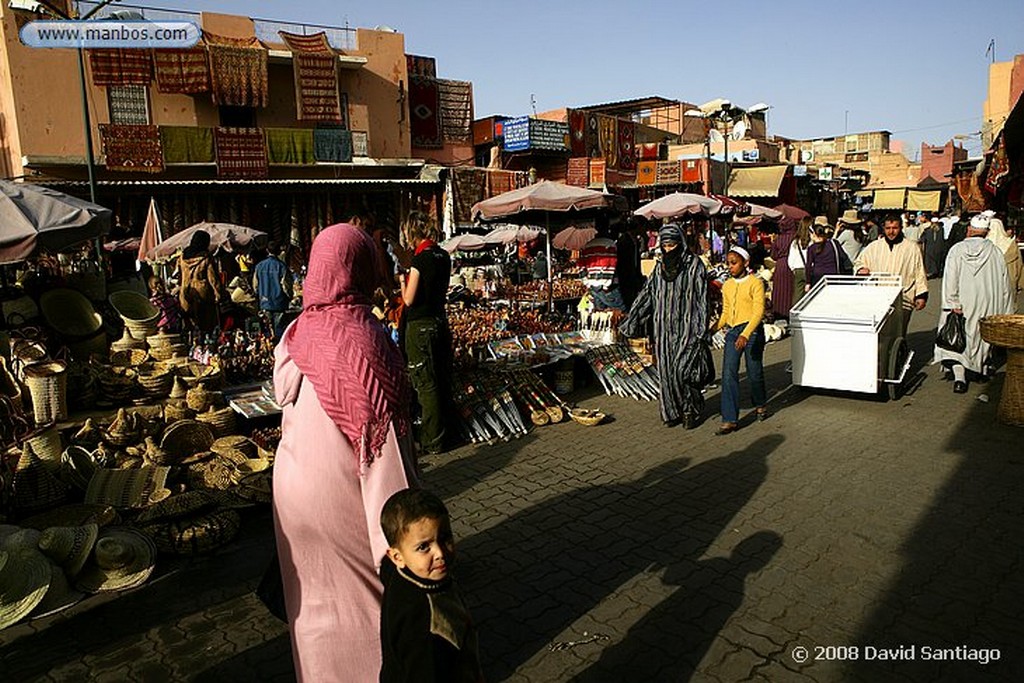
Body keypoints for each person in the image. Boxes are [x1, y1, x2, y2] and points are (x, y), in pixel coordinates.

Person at [272, 223, 418, 682]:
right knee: (366, 605)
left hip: (293, 492)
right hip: (339, 490)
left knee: (313, 609)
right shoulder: (363, 338)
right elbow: (382, 451)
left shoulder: (298, 329)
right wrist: (403, 541)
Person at [379, 488, 483, 683]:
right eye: (423, 547)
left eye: (445, 538)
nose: (440, 553)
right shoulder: (424, 623)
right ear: (396, 556)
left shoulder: (397, 570)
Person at [620, 224, 711, 429]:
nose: (669, 250)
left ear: (681, 243)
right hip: (662, 329)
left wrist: (701, 330)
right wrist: (631, 320)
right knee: (667, 373)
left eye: (673, 245)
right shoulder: (659, 268)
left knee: (683, 370)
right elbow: (647, 296)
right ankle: (672, 412)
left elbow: (702, 300)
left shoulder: (695, 265)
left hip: (688, 329)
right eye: (666, 246)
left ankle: (689, 408)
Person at [934, 213, 1015, 393]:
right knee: (981, 339)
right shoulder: (995, 252)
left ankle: (959, 378)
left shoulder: (956, 250)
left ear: (970, 229)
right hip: (988, 304)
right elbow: (1005, 286)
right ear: (986, 232)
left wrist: (951, 302)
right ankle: (981, 369)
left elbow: (950, 279)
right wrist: (1006, 310)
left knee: (958, 341)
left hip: (961, 303)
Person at [399, 211, 453, 455]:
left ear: (413, 234)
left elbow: (409, 300)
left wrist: (402, 281)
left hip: (420, 325)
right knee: (441, 377)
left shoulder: (419, 260)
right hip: (440, 320)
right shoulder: (444, 256)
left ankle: (432, 440)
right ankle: (448, 431)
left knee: (426, 383)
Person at [715, 246, 768, 435]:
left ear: (745, 263)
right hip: (733, 330)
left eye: (734, 263)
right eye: (728, 263)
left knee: (754, 372)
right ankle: (729, 418)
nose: (730, 267)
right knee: (729, 372)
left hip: (752, 330)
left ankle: (760, 403)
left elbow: (758, 312)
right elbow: (726, 311)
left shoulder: (756, 283)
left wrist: (746, 334)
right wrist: (715, 327)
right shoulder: (728, 285)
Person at [854, 214, 929, 337]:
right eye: (888, 228)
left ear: (900, 228)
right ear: (883, 228)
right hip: (879, 298)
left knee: (899, 334)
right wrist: (861, 269)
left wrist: (921, 295)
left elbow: (919, 272)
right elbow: (859, 262)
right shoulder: (874, 247)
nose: (891, 232)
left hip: (903, 299)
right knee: (880, 335)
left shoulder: (911, 248)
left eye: (895, 228)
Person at [177, 229, 221, 333]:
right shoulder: (206, 257)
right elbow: (213, 279)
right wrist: (219, 294)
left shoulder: (182, 257)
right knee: (206, 326)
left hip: (185, 292)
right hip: (203, 295)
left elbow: (179, 275)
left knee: (190, 323)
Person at [253, 244, 293, 341]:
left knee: (267, 331)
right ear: (278, 251)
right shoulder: (281, 266)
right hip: (279, 303)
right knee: (279, 331)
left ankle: (268, 351)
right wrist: (290, 296)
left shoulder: (259, 266)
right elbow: (286, 285)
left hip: (264, 302)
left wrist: (259, 295)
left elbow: (255, 285)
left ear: (267, 250)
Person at [579, 231, 624, 311]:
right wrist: (606, 285)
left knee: (600, 314)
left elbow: (581, 266)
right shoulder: (610, 244)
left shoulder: (587, 246)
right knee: (621, 313)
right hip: (609, 288)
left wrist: (587, 283)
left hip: (593, 287)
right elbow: (611, 263)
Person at [986, 213, 1024, 304]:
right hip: (1009, 284)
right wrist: (1020, 284)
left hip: (988, 286)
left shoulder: (983, 246)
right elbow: (1019, 266)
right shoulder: (1011, 245)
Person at [769, 217, 798, 321]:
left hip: (780, 266)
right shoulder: (796, 237)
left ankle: (779, 312)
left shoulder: (779, 239)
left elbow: (773, 255)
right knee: (790, 290)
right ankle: (791, 311)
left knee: (779, 291)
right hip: (793, 264)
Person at [804, 218, 845, 290]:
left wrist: (808, 282)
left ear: (813, 234)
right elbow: (842, 256)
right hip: (832, 275)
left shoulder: (812, 248)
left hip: (818, 276)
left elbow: (808, 266)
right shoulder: (833, 243)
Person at [787, 216, 812, 306]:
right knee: (810, 294)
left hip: (797, 269)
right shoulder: (812, 241)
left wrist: (793, 268)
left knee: (797, 295)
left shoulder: (795, 242)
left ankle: (795, 313)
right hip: (809, 269)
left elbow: (791, 258)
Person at [920, 214, 948, 279]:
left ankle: (932, 273)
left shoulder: (930, 230)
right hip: (935, 248)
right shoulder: (939, 229)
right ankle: (934, 273)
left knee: (933, 261)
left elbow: (922, 239)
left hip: (932, 248)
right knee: (934, 261)